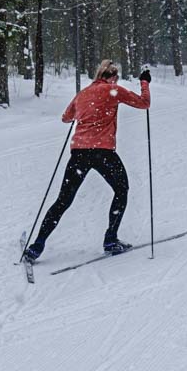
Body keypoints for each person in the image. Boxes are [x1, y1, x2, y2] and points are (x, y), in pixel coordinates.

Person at [23, 60, 151, 263]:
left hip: (79, 153)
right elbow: (144, 103)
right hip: (103, 152)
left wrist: (84, 111)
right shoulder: (113, 90)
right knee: (121, 189)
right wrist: (145, 83)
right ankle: (110, 240)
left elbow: (66, 118)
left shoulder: (83, 94)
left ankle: (36, 247)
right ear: (113, 77)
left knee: (63, 200)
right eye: (115, 79)